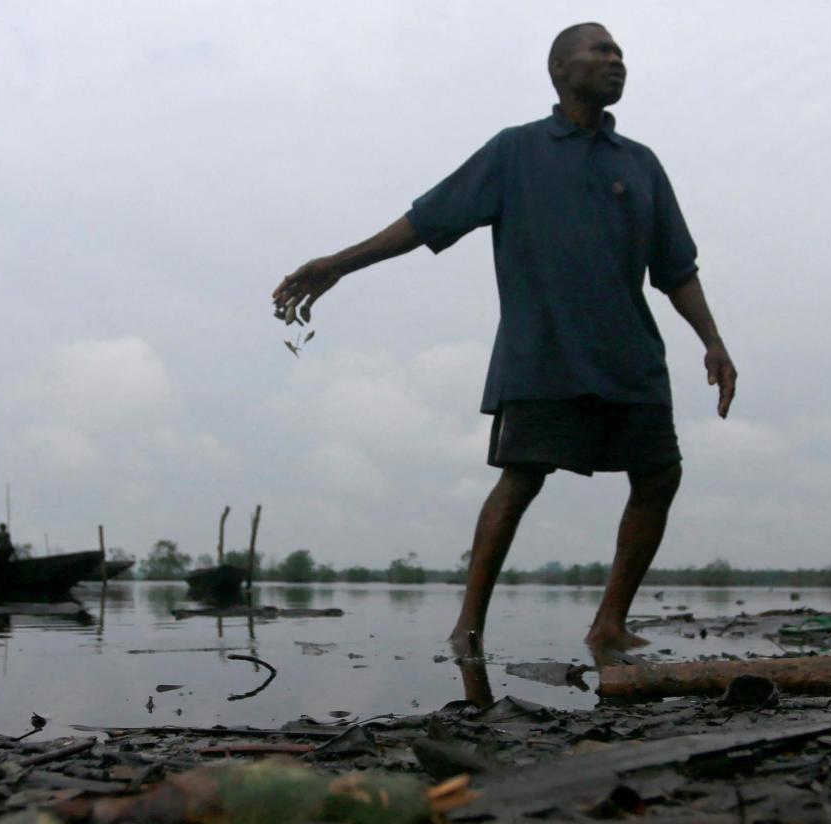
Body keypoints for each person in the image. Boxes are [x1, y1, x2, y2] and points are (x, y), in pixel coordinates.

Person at [272, 23, 737, 665]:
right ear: (557, 67)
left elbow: (676, 269)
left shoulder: (641, 163)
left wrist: (712, 341)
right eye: (600, 51)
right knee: (520, 479)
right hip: (541, 355)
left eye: (621, 54)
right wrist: (340, 264)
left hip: (630, 357)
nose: (616, 62)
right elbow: (427, 220)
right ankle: (467, 627)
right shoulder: (515, 152)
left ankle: (608, 624)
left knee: (660, 475)